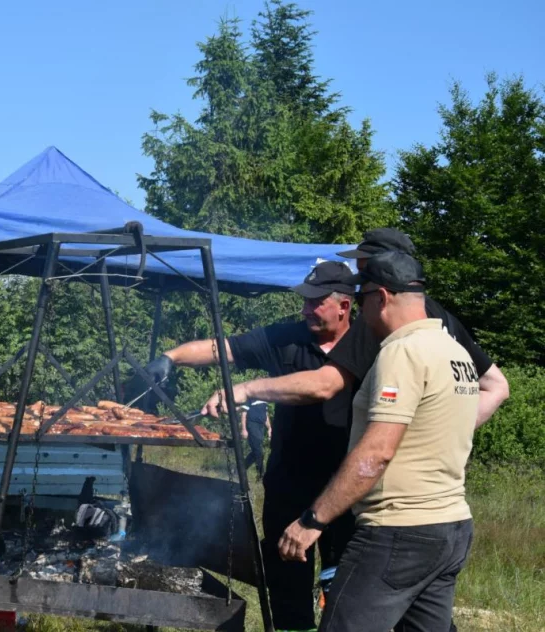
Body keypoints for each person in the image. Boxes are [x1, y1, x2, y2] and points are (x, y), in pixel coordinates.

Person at [132, 261, 358, 632]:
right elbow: (223, 349)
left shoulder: (366, 342)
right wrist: (171, 357)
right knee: (287, 591)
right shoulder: (288, 337)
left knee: (346, 593)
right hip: (289, 486)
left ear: (343, 306)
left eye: (314, 302)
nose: (304, 309)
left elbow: (324, 386)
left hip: (346, 488)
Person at [278, 251, 479, 631]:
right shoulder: (455, 352)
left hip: (398, 532)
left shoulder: (401, 352)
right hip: (450, 527)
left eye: (363, 299)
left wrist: (312, 519)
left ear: (382, 297)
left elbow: (376, 452)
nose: (360, 312)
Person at [205, 228, 509, 428]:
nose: (357, 274)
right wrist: (451, 435)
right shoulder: (441, 317)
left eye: (363, 266)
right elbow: (497, 386)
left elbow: (325, 384)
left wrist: (246, 389)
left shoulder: (381, 317)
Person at [240, 400, 271, 480]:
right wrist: (244, 429)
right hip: (252, 425)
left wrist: (269, 428)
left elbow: (266, 415)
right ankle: (261, 475)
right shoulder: (251, 398)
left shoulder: (264, 400)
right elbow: (243, 414)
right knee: (258, 451)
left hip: (261, 427)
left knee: (255, 452)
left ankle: (240, 469)